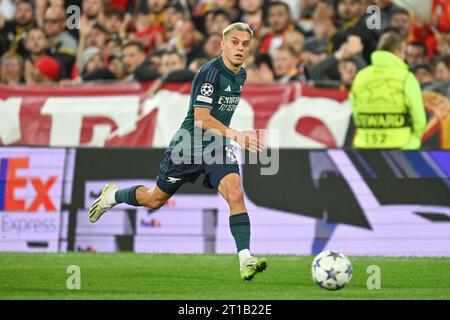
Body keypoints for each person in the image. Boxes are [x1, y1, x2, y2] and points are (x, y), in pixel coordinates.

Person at [88, 22, 268, 281]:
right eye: (235, 42)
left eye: (245, 44)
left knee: (236, 194)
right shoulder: (210, 73)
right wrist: (238, 135)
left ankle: (245, 259)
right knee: (154, 199)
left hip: (217, 147)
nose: (240, 48)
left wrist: (228, 138)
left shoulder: (241, 74)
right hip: (188, 146)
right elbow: (201, 119)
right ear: (223, 44)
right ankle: (112, 196)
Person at [350, 32, 426, 149]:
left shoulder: (361, 76)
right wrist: (414, 139)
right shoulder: (405, 77)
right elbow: (419, 116)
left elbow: (355, 110)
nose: (405, 57)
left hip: (365, 145)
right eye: (404, 52)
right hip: (401, 146)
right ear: (397, 51)